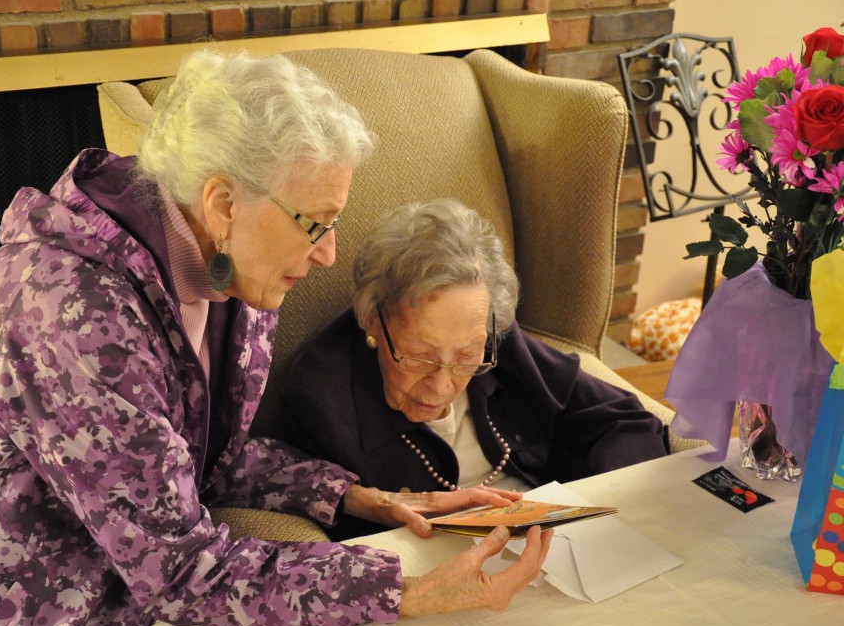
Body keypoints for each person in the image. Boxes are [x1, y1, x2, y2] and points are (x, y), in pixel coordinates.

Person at [0, 52, 552, 626]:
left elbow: (193, 454)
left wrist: (357, 496)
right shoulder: (69, 314)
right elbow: (177, 569)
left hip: (82, 572)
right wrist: (404, 590)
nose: (329, 254)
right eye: (316, 223)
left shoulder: (227, 275)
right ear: (225, 202)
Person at [281, 198, 670, 539]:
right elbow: (332, 522)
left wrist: (608, 510)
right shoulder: (320, 396)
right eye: (419, 356)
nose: (442, 386)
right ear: (372, 321)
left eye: (467, 357)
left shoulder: (494, 337)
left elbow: (624, 420)